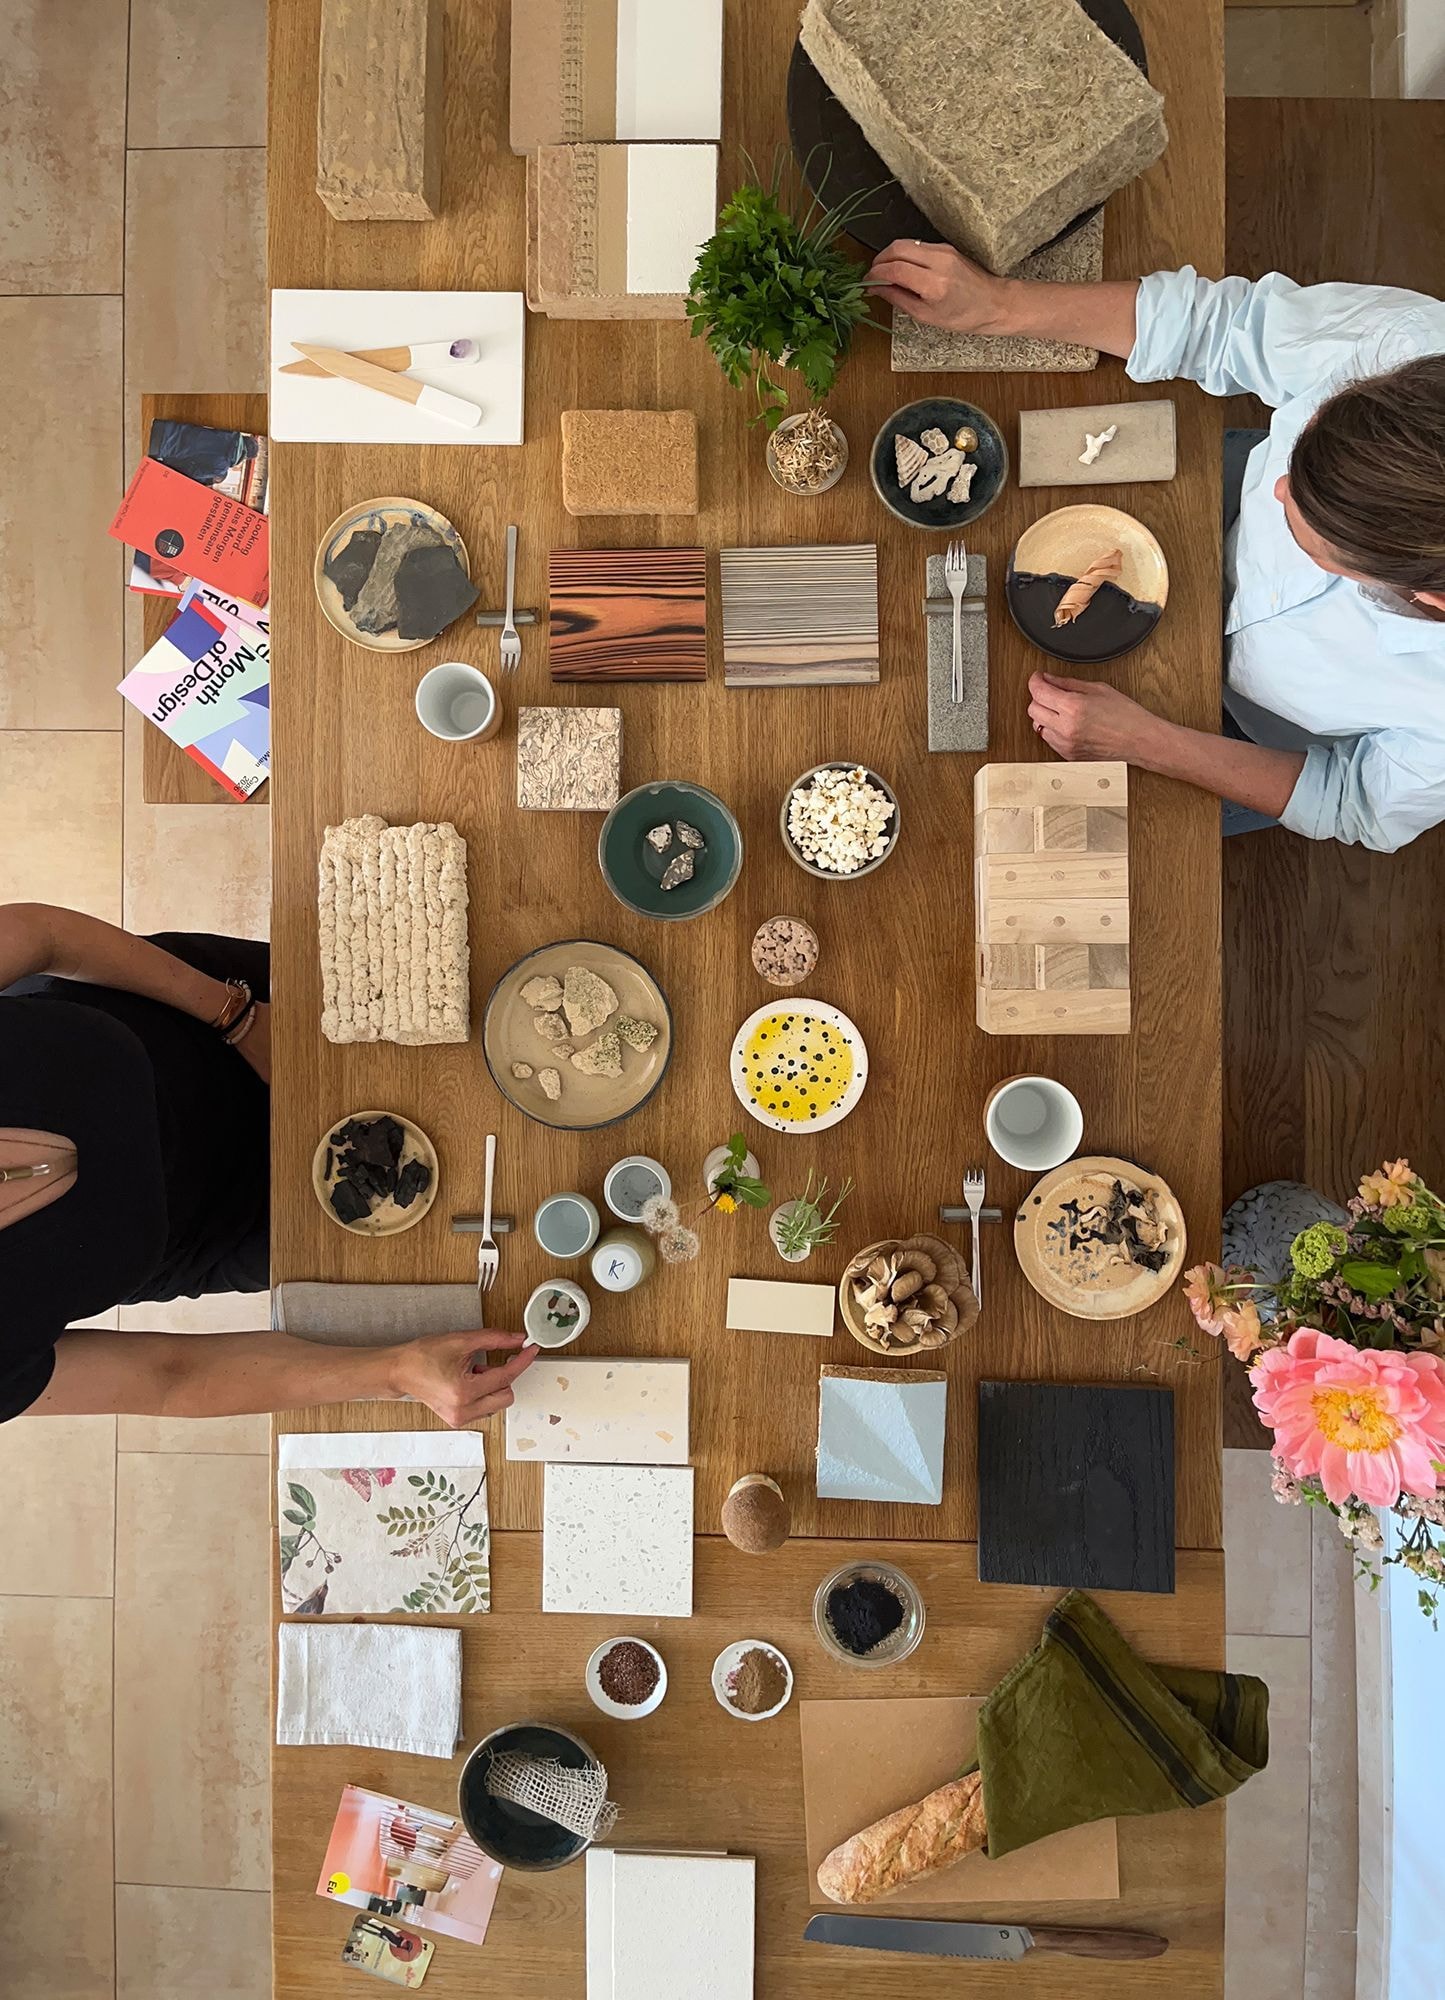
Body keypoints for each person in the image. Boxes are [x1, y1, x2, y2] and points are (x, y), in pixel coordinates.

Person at [867, 243, 1445, 851]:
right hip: (1209, 506)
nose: (1280, 488)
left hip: (1238, 735)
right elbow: (1222, 326)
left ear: (1429, 598)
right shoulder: (1414, 349)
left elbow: (1353, 804)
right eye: (1306, 451)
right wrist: (996, 306)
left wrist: (1143, 742)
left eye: (1314, 532)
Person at [0, 904, 534, 1425]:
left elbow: (48, 935)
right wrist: (395, 1370)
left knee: (460, 1005)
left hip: (203, 1014)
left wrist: (235, 1017)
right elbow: (168, 1380)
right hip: (225, 1229)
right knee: (438, 1242)